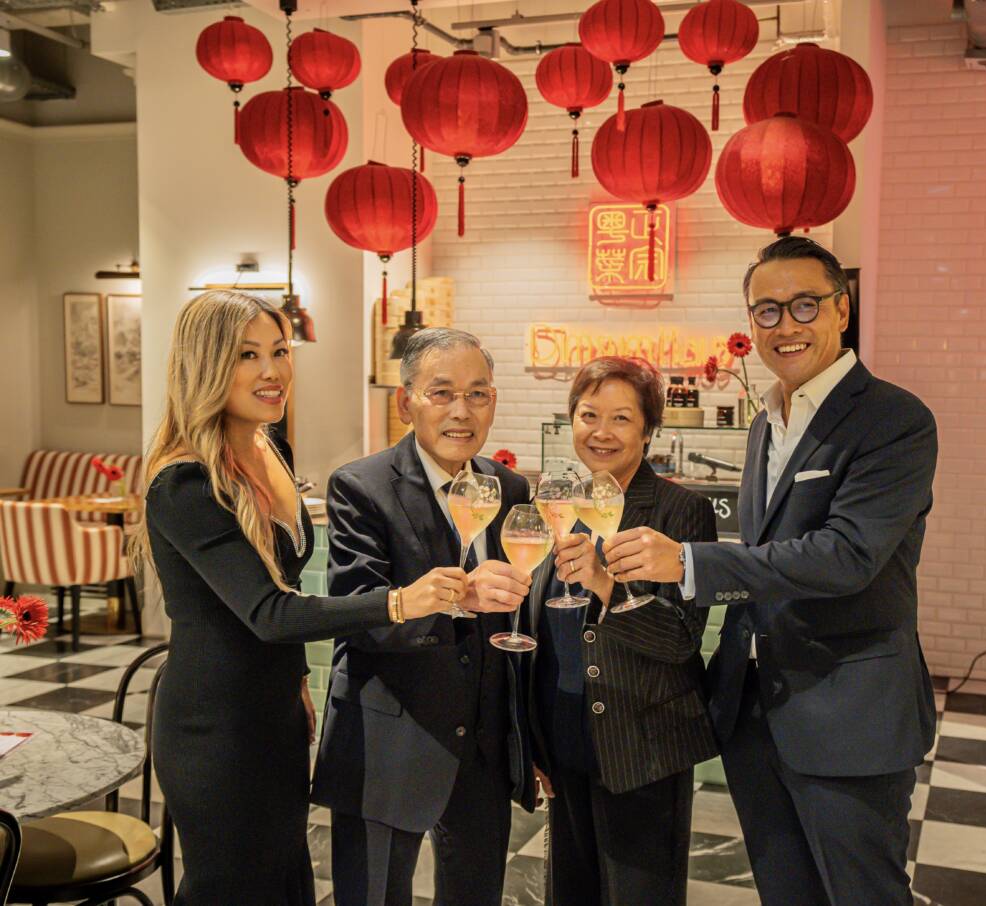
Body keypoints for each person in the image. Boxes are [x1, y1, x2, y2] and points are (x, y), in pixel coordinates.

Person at [603, 237, 938, 906]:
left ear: (843, 310)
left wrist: (690, 561)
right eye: (766, 311)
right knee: (785, 890)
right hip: (756, 708)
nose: (785, 325)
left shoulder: (893, 419)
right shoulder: (768, 420)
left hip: (849, 710)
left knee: (863, 891)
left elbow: (847, 556)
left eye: (805, 305)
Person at [138, 292, 466, 905]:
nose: (273, 371)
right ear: (205, 365)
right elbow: (270, 612)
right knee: (231, 888)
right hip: (216, 729)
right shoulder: (183, 482)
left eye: (281, 351)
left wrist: (293, 686)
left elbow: (277, 592)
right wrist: (400, 602)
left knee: (284, 882)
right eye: (248, 355)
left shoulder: (270, 449)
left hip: (277, 717)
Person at [311, 328, 535, 906]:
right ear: (405, 401)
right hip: (390, 735)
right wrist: (458, 598)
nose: (463, 411)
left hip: (482, 743)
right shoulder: (361, 487)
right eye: (442, 393)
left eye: (479, 394)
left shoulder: (507, 486)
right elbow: (359, 616)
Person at [526, 356, 718, 906]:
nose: (601, 432)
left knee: (640, 893)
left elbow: (680, 639)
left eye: (621, 419)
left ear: (649, 430)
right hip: (565, 733)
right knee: (572, 890)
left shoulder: (681, 511)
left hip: (642, 742)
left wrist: (609, 587)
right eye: (589, 415)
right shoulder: (560, 508)